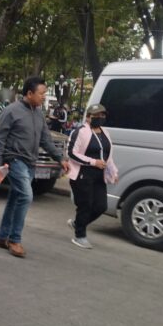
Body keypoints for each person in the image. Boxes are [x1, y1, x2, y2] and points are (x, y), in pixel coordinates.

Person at [0, 76, 69, 258]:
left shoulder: (39, 114)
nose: (44, 96)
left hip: (30, 163)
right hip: (14, 160)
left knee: (15, 198)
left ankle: (2, 236)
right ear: (30, 93)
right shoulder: (11, 111)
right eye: (42, 93)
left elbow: (46, 140)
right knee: (26, 196)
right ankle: (14, 240)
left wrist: (60, 159)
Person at [66, 104, 118, 249]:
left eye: (102, 115)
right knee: (85, 205)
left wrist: (113, 172)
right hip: (83, 174)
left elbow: (107, 156)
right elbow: (72, 153)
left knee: (101, 206)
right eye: (97, 115)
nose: (100, 118)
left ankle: (78, 223)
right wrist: (93, 162)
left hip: (99, 176)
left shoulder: (105, 133)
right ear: (88, 117)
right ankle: (80, 236)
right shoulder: (80, 132)